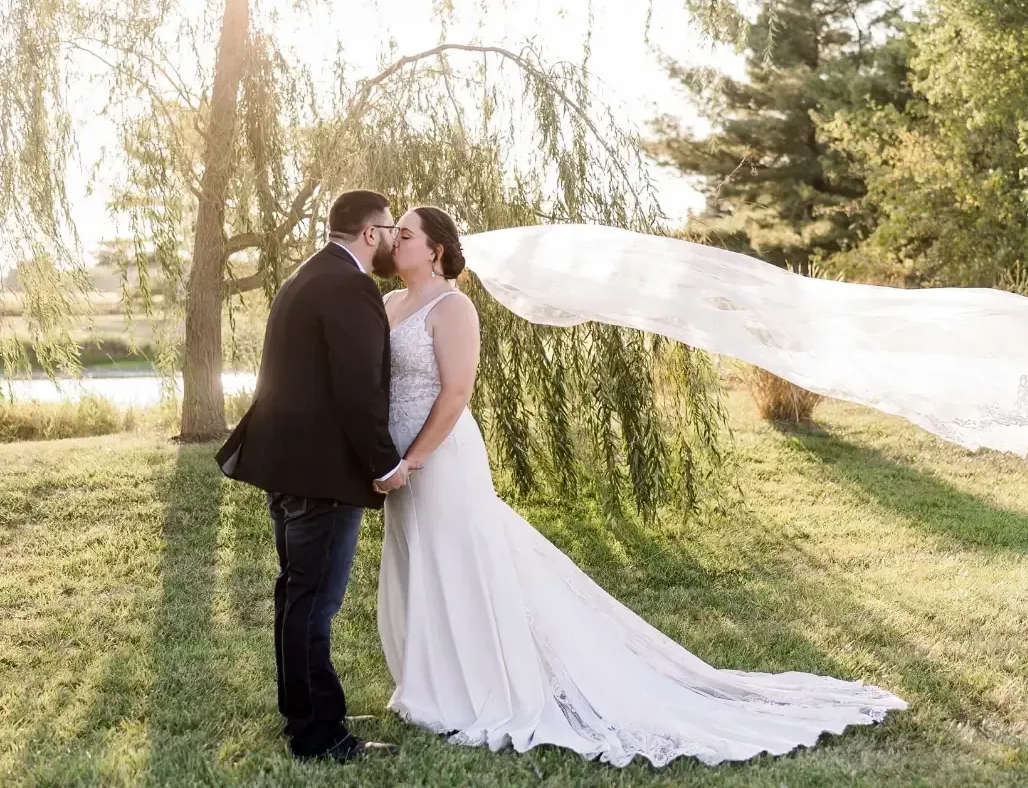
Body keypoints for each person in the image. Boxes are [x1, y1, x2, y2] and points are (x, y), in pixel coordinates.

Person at [375, 206, 907, 767]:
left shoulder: (453, 307)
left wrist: (413, 458)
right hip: (397, 461)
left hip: (439, 456)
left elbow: (456, 394)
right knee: (417, 559)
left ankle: (477, 686)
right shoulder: (388, 304)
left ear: (435, 250)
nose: (395, 242)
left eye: (405, 235)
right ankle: (431, 681)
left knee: (457, 560)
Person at [216, 190, 409, 762]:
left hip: (291, 467)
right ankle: (318, 736)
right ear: (369, 233)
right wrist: (385, 463)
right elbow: (357, 390)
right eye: (390, 228)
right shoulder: (350, 287)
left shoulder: (309, 275)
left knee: (297, 596)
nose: (394, 239)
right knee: (314, 603)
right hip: (322, 475)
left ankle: (303, 711)